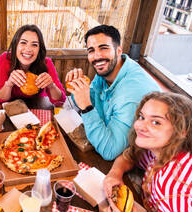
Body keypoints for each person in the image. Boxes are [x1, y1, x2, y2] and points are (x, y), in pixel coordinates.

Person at [103, 92, 192, 212]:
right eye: (142, 117)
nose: (140, 125)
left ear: (181, 131)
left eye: (156, 122)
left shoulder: (174, 191)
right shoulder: (161, 152)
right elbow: (129, 156)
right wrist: (115, 174)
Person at [66, 25, 160, 160]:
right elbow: (91, 98)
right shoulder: (107, 71)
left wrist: (86, 108)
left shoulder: (131, 93)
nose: (97, 56)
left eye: (103, 48)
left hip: (142, 164)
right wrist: (78, 88)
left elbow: (110, 151)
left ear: (118, 50)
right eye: (91, 50)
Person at [0, 24, 66, 106]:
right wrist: (9, 84)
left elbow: (60, 101)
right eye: (23, 43)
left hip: (38, 107)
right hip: (12, 109)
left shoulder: (46, 63)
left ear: (39, 49)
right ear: (15, 45)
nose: (28, 49)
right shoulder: (5, 59)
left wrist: (51, 86)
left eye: (34, 44)